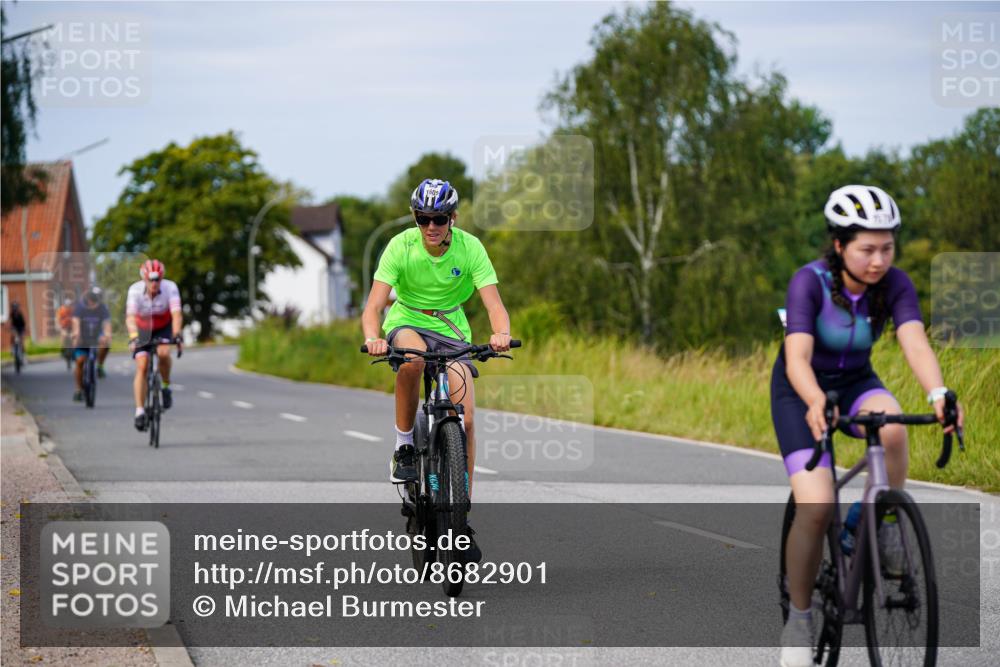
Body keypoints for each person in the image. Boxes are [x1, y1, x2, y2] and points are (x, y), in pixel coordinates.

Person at [773, 185, 965, 667]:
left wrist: (939, 394)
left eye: (887, 247)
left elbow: (914, 341)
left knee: (894, 427)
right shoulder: (809, 281)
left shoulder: (895, 284)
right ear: (839, 246)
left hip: (857, 380)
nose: (878, 260)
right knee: (816, 509)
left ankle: (878, 522)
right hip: (801, 390)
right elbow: (797, 357)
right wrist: (816, 400)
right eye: (866, 249)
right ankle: (799, 619)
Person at [361, 178, 512, 562]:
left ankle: (461, 520)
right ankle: (404, 446)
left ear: (453, 218)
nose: (432, 227)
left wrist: (501, 333)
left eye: (440, 218)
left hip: (453, 331)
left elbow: (494, 303)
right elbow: (374, 306)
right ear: (416, 217)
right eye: (424, 218)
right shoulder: (400, 246)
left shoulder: (470, 248)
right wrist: (373, 336)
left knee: (468, 420)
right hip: (409, 321)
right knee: (411, 359)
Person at [126, 259, 183, 430]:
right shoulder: (135, 290)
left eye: (157, 279)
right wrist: (134, 336)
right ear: (144, 278)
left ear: (162, 278)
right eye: (150, 279)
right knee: (142, 366)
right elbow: (130, 317)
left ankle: (165, 386)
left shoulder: (170, 287)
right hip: (142, 328)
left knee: (164, 353)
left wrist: (177, 335)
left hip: (163, 326)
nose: (154, 283)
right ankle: (139, 411)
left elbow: (176, 314)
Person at [71, 287, 112, 401]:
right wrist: (76, 335)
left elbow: (106, 323)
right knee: (80, 361)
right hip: (83, 338)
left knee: (106, 344)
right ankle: (78, 390)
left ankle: (99, 366)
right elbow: (76, 322)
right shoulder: (80, 307)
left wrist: (107, 335)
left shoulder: (102, 308)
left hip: (96, 336)